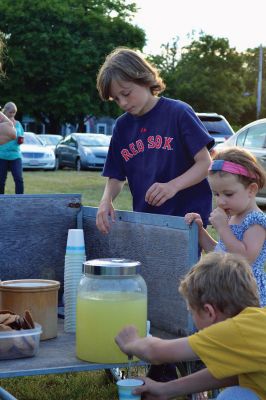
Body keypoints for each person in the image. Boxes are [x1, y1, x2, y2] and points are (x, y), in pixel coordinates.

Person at [96, 47, 214, 234]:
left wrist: (172, 186)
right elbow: (116, 176)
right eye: (116, 99)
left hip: (186, 220)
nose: (123, 103)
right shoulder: (122, 126)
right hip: (146, 220)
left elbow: (205, 163)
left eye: (126, 93)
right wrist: (106, 200)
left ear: (143, 78)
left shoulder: (179, 113)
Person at [115, 252, 266, 399]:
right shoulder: (256, 323)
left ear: (209, 312)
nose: (192, 317)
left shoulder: (235, 331)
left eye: (191, 312)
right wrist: (165, 389)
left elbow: (156, 351)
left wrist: (132, 342)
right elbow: (234, 376)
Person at [185, 147, 266, 307]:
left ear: (251, 190)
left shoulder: (256, 221)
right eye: (216, 194)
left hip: (245, 291)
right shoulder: (232, 217)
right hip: (226, 287)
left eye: (228, 194)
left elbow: (245, 258)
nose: (221, 201)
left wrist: (223, 228)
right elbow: (220, 252)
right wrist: (200, 231)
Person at [0, 101, 24, 194]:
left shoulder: (18, 124)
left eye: (14, 112)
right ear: (5, 112)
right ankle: (1, 200)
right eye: (10, 112)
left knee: (18, 179)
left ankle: (20, 199)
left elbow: (21, 137)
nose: (12, 114)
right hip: (1, 155)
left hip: (15, 155)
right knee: (1, 180)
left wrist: (20, 140)